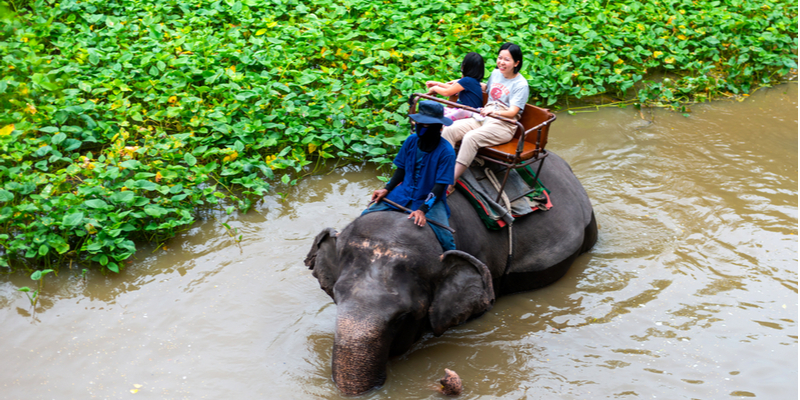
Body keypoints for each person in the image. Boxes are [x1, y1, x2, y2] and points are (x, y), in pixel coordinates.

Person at [364, 100, 457, 251]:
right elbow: (401, 169)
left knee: (446, 240)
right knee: (366, 215)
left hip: (428, 198)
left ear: (439, 128)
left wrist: (422, 209)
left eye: (426, 126)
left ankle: (453, 265)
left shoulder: (446, 152)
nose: (420, 128)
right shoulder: (411, 140)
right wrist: (387, 189)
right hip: (403, 192)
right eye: (419, 123)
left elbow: (440, 185)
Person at [441, 43, 529, 193]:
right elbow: (485, 88)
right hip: (484, 116)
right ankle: (444, 168)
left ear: (516, 63)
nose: (501, 62)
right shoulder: (496, 73)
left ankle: (450, 181)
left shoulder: (521, 84)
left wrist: (493, 113)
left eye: (506, 59)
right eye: (500, 58)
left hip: (504, 123)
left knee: (471, 137)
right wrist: (458, 83)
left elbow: (513, 112)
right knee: (449, 129)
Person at [425, 52, 485, 121]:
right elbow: (453, 89)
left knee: (433, 111)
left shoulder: (467, 81)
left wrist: (434, 88)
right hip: (469, 111)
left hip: (467, 112)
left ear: (465, 66)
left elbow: (447, 92)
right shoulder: (473, 81)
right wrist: (437, 84)